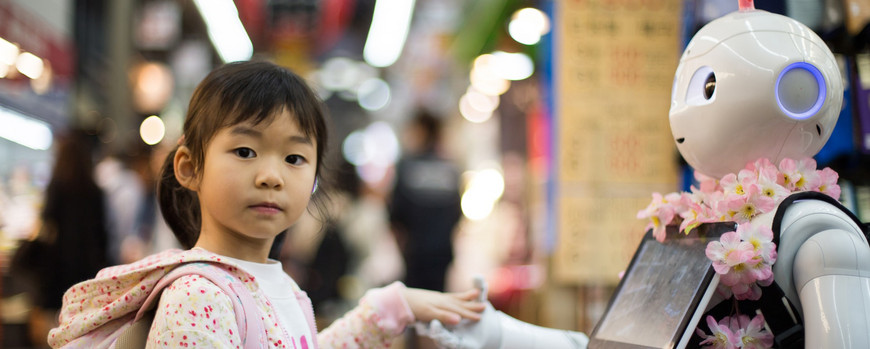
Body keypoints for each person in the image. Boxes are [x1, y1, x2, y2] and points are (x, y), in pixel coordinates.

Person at [48, 60, 484, 348]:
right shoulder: (199, 295)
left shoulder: (276, 285)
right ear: (188, 167)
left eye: (294, 158)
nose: (271, 175)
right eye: (245, 151)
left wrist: (394, 306)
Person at [28, 130, 110, 347]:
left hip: (58, 265)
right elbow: (102, 233)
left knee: (53, 322)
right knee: (81, 324)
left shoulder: (57, 186)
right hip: (87, 267)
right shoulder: (95, 191)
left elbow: (47, 225)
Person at [390, 110, 462, 292]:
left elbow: (395, 213)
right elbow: (457, 214)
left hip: (415, 254)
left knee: (415, 309)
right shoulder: (450, 169)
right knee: (439, 306)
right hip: (442, 253)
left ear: (421, 131)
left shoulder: (407, 167)